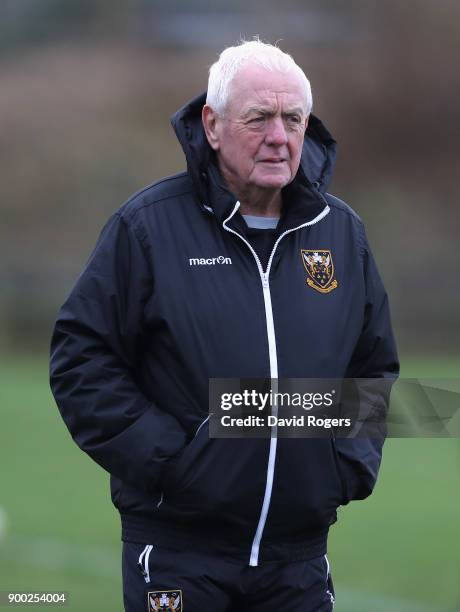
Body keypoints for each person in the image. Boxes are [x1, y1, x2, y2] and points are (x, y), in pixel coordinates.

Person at [50, 39, 399, 612]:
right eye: (258, 118)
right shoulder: (147, 228)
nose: (279, 137)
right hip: (179, 556)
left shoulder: (343, 235)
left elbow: (374, 366)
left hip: (300, 561)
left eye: (293, 119)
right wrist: (171, 459)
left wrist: (347, 461)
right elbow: (81, 360)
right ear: (211, 124)